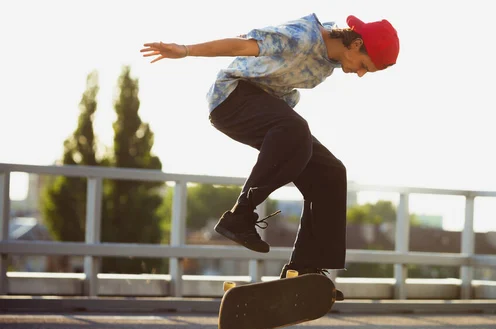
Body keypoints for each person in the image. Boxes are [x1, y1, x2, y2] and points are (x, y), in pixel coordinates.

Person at [141, 14, 399, 298]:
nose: (360, 73)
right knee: (295, 128)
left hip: (268, 112)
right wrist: (186, 50)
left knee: (330, 172)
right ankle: (239, 215)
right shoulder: (302, 36)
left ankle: (305, 268)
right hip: (231, 98)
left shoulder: (336, 54)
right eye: (364, 65)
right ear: (356, 44)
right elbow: (241, 46)